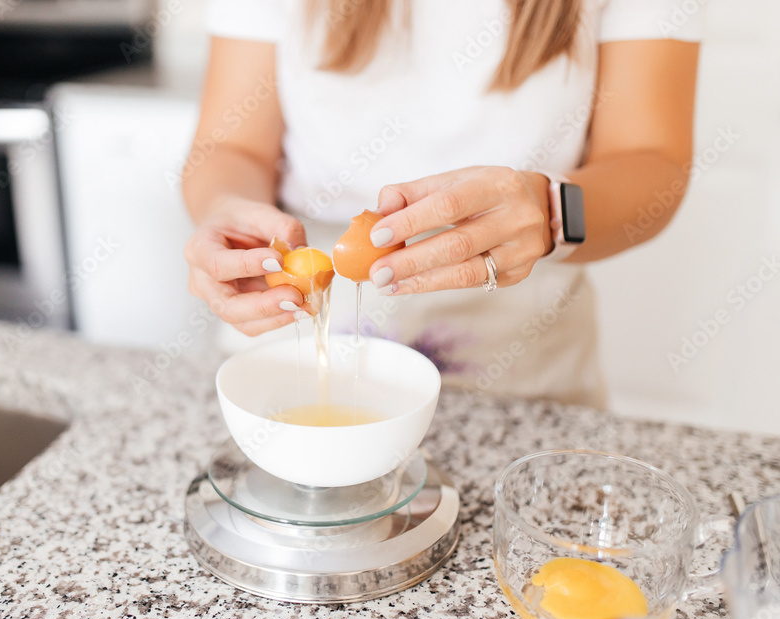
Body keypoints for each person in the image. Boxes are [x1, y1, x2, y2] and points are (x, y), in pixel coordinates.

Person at [181, 0, 703, 408]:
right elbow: (231, 145)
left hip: (523, 368)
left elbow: (652, 162)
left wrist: (550, 213)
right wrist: (227, 211)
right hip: (291, 343)